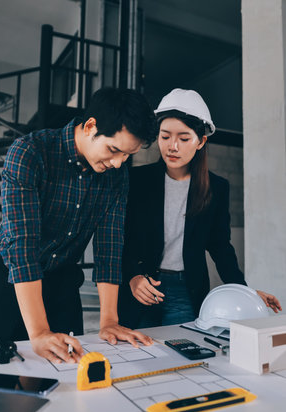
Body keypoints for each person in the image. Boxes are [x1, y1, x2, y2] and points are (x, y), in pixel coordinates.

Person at [0, 87, 157, 363]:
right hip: (11, 279)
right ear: (91, 126)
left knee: (67, 372)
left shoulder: (116, 176)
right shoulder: (30, 153)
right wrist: (40, 331)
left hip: (63, 282)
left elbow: (109, 248)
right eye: (114, 150)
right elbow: (23, 246)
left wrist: (109, 320)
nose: (117, 163)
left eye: (127, 155)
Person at [118, 88, 281, 329]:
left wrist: (245, 293)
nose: (172, 146)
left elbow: (221, 248)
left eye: (184, 139)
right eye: (165, 137)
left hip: (186, 291)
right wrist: (132, 276)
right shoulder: (136, 180)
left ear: (200, 141)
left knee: (180, 358)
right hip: (142, 286)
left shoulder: (216, 188)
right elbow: (120, 237)